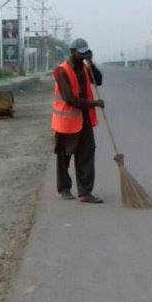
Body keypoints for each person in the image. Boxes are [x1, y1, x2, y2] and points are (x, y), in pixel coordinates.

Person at [52, 38, 105, 203]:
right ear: (72, 52)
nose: (82, 56)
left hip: (84, 119)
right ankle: (64, 188)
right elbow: (69, 99)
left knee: (87, 154)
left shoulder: (85, 67)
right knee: (64, 156)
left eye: (85, 53)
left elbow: (99, 80)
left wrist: (91, 63)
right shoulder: (61, 71)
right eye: (80, 53)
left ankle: (85, 192)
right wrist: (94, 104)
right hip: (66, 120)